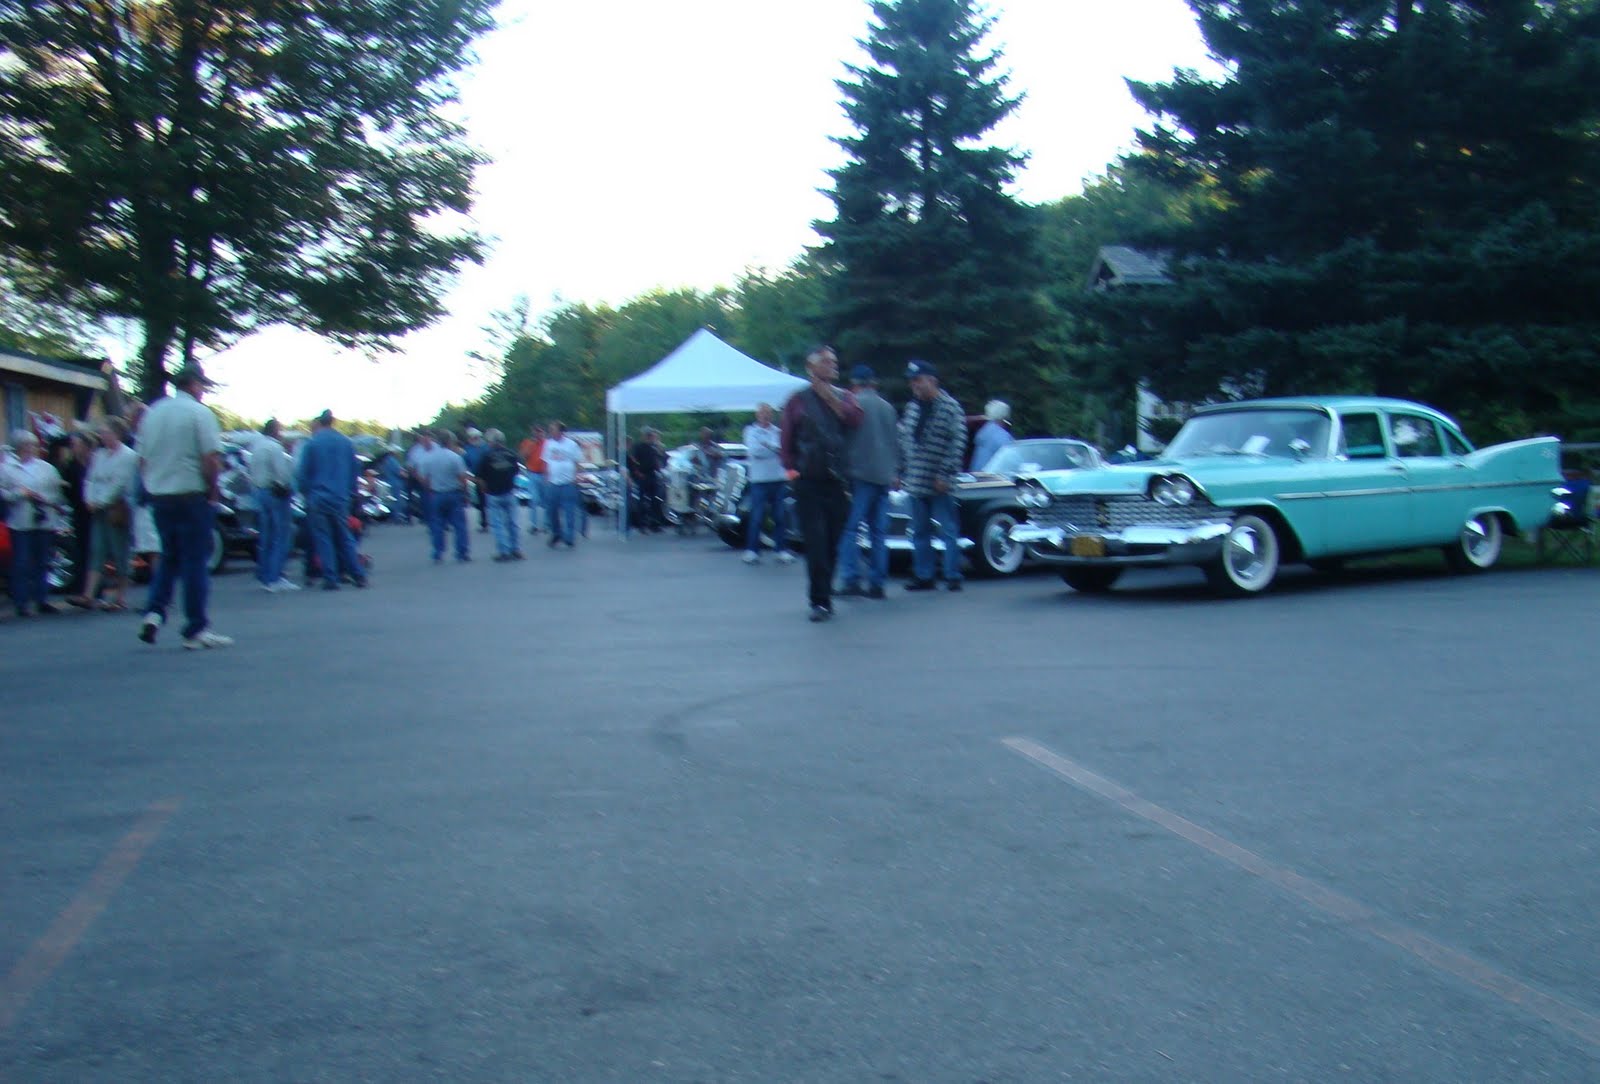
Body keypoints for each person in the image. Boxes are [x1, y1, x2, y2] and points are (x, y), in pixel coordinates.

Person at [135, 364, 233, 648]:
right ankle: (195, 627)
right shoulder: (199, 413)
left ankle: (154, 611)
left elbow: (142, 460)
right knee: (195, 562)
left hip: (160, 494)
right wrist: (213, 490)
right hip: (191, 494)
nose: (203, 391)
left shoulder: (152, 414)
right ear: (193, 384)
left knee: (169, 557)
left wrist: (151, 485)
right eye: (202, 385)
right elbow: (210, 458)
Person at [780, 345, 863, 622]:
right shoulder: (798, 401)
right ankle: (820, 600)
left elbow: (855, 420)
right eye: (826, 362)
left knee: (833, 541)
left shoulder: (846, 396)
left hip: (838, 481)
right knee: (815, 541)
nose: (833, 366)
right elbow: (787, 441)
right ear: (811, 367)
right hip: (809, 482)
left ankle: (825, 590)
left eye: (834, 362)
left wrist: (832, 400)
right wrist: (793, 473)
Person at [899, 360, 967, 592]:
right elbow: (903, 439)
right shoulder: (912, 408)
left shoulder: (950, 407)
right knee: (919, 530)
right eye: (911, 381)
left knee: (948, 528)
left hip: (940, 480)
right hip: (916, 479)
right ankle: (924, 575)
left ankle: (952, 575)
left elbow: (957, 443)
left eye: (918, 380)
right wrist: (901, 470)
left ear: (932, 380)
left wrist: (945, 474)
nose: (914, 385)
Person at [834, 365, 898, 599]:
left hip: (859, 475)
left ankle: (850, 578)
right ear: (874, 383)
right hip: (884, 475)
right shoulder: (888, 408)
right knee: (878, 532)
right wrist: (895, 471)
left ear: (855, 383)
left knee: (850, 529)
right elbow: (895, 441)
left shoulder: (851, 404)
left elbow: (842, 440)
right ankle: (877, 583)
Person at [73, 417, 140, 611]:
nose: (102, 436)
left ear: (117, 433)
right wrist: (89, 499)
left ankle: (120, 597)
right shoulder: (100, 455)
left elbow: (119, 483)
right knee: (97, 549)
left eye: (106, 432)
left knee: (120, 551)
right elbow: (90, 479)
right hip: (97, 507)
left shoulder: (128, 456)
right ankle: (88, 594)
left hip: (116, 508)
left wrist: (102, 501)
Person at [296, 409, 367, 590]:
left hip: (318, 496)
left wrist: (305, 492)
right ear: (333, 422)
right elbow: (354, 471)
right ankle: (358, 574)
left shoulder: (312, 443)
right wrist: (351, 492)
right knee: (344, 537)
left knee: (323, 538)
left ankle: (331, 577)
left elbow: (302, 474)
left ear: (320, 422)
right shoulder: (346, 443)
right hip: (340, 497)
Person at [1, 430, 65, 617]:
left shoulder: (47, 468)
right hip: (20, 522)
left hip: (44, 520)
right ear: (19, 448)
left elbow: (56, 492)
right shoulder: (7, 469)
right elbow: (3, 493)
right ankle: (21, 602)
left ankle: (42, 599)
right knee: (21, 563)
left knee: (43, 561)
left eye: (34, 445)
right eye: (27, 446)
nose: (31, 449)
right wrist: (20, 494)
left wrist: (42, 498)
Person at [249, 418, 298, 593]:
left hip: (260, 491)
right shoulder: (275, 447)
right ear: (275, 431)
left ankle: (265, 574)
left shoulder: (256, 446)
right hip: (275, 493)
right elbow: (282, 474)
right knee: (281, 535)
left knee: (267, 536)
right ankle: (276, 576)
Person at [741, 403, 794, 564]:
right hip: (759, 480)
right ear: (757, 415)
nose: (765, 416)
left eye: (768, 413)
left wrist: (767, 446)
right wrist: (773, 448)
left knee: (780, 517)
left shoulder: (777, 432)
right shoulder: (750, 431)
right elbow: (754, 452)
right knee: (757, 516)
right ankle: (752, 550)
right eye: (762, 413)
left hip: (778, 479)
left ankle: (781, 550)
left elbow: (783, 450)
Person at [417, 428, 471, 562]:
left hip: (436, 494)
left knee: (437, 524)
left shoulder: (428, 458)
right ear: (449, 441)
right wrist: (465, 492)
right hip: (454, 493)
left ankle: (438, 552)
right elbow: (462, 478)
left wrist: (430, 489)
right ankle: (462, 552)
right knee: (459, 525)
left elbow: (424, 478)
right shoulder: (455, 457)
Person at [476, 428, 524, 561]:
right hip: (509, 492)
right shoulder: (511, 455)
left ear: (490, 442)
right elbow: (516, 472)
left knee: (497, 525)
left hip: (493, 494)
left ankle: (503, 551)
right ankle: (515, 549)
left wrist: (484, 489)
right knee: (513, 523)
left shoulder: (486, 456)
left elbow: (479, 477)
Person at [542, 420, 582, 547]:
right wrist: (546, 477)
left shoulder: (571, 445)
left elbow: (577, 461)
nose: (551, 432)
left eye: (553, 429)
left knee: (569, 510)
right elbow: (546, 461)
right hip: (553, 482)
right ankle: (556, 534)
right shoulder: (548, 444)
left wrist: (575, 477)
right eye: (550, 429)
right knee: (551, 511)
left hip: (568, 482)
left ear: (561, 431)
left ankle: (569, 537)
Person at [626, 427, 667, 532]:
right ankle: (641, 525)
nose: (649, 437)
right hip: (642, 476)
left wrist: (659, 448)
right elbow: (633, 461)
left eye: (650, 435)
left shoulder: (654, 447)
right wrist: (637, 472)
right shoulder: (638, 447)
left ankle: (655, 524)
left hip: (653, 475)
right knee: (642, 501)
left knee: (655, 500)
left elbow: (661, 459)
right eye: (648, 435)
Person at [518, 423, 547, 535]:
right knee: (534, 500)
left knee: (545, 501)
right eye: (535, 431)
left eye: (539, 431)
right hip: (532, 473)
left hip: (544, 474)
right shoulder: (527, 442)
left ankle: (546, 525)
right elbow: (522, 456)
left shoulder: (547, 443)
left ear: (543, 433)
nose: (537, 433)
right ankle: (534, 525)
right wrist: (530, 447)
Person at [970, 399, 1014, 471]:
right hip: (992, 476)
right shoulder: (1001, 435)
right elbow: (1012, 456)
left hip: (977, 472)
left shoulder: (985, 429)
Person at [461, 427, 489, 532]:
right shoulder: (468, 449)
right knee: (481, 502)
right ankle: (484, 523)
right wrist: (470, 477)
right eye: (472, 437)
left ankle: (494, 521)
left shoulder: (486, 447)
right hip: (478, 477)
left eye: (476, 437)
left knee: (491, 500)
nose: (474, 439)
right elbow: (465, 464)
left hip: (490, 476)